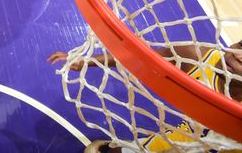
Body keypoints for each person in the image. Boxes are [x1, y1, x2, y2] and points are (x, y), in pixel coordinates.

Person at [48, 40, 242, 152]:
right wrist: (85, 61)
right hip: (184, 139)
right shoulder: (198, 57)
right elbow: (141, 56)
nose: (237, 54)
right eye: (241, 45)